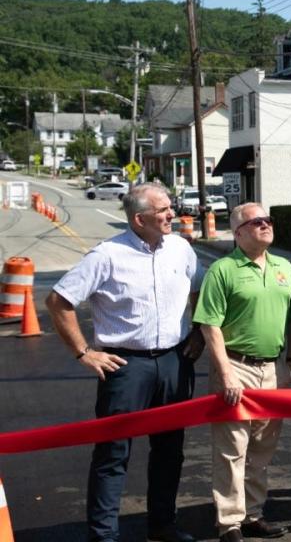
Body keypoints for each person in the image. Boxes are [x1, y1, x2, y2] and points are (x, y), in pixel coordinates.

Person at [46, 183, 204, 542]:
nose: (172, 214)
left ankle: (162, 526)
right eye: (163, 209)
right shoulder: (106, 255)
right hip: (126, 366)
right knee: (113, 453)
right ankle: (104, 535)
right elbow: (58, 302)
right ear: (139, 219)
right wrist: (84, 353)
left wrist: (197, 332)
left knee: (170, 450)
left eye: (171, 207)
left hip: (175, 361)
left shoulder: (181, 249)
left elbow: (199, 291)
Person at [193, 203, 291, 542]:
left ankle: (254, 514)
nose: (266, 225)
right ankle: (229, 522)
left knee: (262, 449)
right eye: (257, 222)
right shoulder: (222, 270)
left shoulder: (285, 267)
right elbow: (209, 325)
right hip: (236, 366)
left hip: (274, 367)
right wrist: (225, 374)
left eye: (268, 220)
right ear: (238, 232)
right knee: (232, 449)